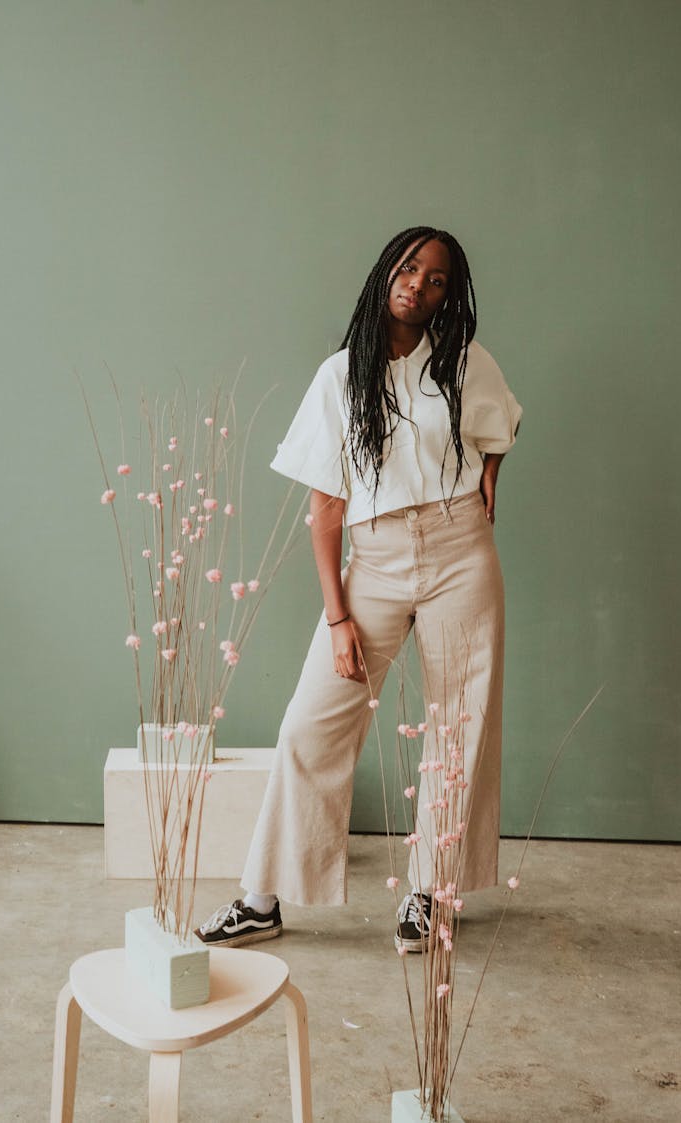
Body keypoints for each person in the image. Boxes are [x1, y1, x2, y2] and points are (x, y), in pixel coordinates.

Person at [195, 226, 522, 952]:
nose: (418, 284)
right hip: (372, 563)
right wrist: (338, 616)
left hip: (460, 551)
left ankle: (430, 891)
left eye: (437, 279)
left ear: (448, 295)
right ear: (387, 271)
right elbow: (326, 510)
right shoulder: (340, 375)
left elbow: (500, 426)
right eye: (410, 267)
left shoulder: (467, 363)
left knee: (459, 729)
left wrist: (493, 465)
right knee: (311, 723)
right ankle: (262, 899)